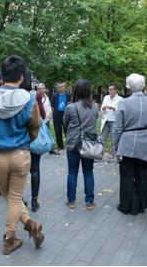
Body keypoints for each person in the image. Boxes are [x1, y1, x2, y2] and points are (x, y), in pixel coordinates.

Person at [0, 55, 44, 255]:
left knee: (9, 196)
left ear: (1, 75)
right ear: (22, 76)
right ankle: (18, 233)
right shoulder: (29, 99)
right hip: (20, 154)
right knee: (14, 197)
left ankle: (13, 236)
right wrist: (24, 143)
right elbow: (35, 128)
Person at [112, 74, 147, 216]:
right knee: (143, 175)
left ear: (129, 88)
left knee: (126, 175)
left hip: (127, 142)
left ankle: (125, 205)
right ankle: (141, 204)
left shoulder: (124, 103)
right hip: (145, 141)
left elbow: (118, 127)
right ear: (143, 87)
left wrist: (115, 144)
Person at [63, 79, 98, 210]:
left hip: (73, 143)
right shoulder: (94, 106)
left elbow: (65, 123)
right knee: (88, 172)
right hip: (89, 143)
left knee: (72, 172)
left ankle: (71, 201)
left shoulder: (70, 107)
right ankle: (90, 201)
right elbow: (94, 121)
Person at [20, 70, 46, 212]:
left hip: (18, 139)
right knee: (35, 169)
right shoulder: (34, 95)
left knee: (19, 171)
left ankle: (20, 199)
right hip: (33, 138)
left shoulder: (13, 95)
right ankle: (34, 201)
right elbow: (42, 115)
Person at [99, 83, 123, 163]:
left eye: (111, 89)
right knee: (102, 139)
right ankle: (100, 156)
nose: (109, 91)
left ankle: (111, 156)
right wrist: (104, 107)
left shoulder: (120, 99)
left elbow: (120, 111)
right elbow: (102, 110)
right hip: (106, 120)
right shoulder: (106, 97)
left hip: (114, 121)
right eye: (109, 89)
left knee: (113, 140)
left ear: (116, 90)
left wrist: (112, 108)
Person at [50, 81, 71, 155]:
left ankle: (69, 145)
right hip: (57, 114)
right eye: (61, 86)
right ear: (58, 88)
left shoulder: (68, 95)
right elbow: (52, 105)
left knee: (67, 130)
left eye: (64, 86)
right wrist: (54, 112)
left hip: (65, 114)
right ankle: (60, 146)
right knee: (58, 131)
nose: (63, 88)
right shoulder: (55, 95)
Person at [38, 83, 55, 155]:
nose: (44, 90)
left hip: (46, 119)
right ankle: (39, 150)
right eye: (43, 88)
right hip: (39, 120)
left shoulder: (46, 97)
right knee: (39, 135)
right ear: (38, 90)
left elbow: (49, 106)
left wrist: (48, 114)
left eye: (44, 88)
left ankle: (51, 149)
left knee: (48, 134)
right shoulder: (36, 98)